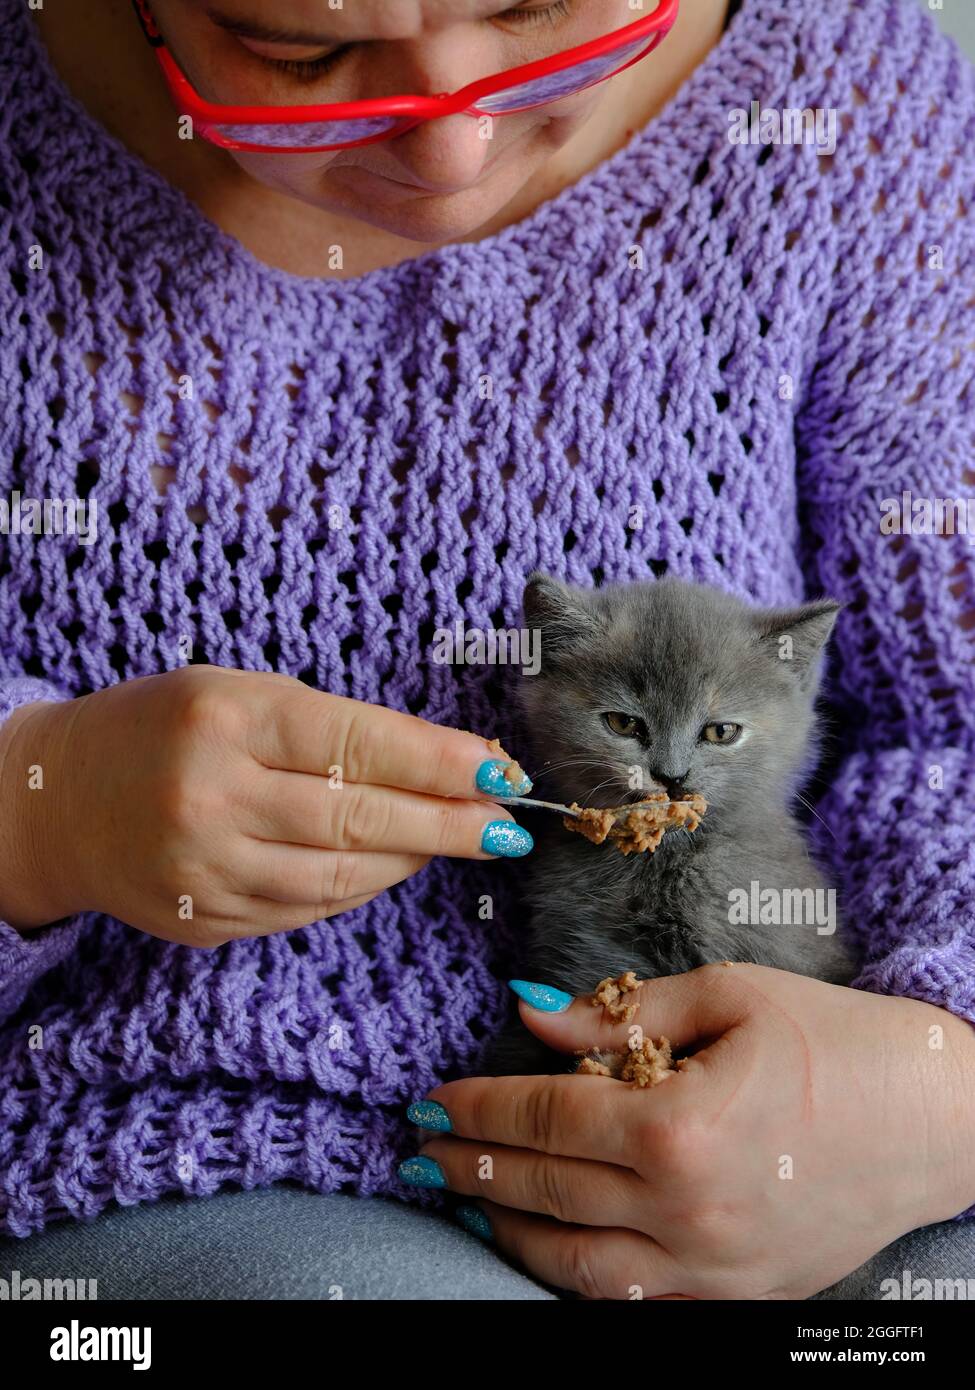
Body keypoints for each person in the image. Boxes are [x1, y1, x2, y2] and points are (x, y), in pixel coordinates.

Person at [0, 0, 973, 1300]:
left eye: (538, 9)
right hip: (234, 1154)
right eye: (299, 51)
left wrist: (937, 1083)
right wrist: (40, 803)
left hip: (834, 1138)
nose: (452, 145)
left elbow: (952, 730)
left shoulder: (842, 107)